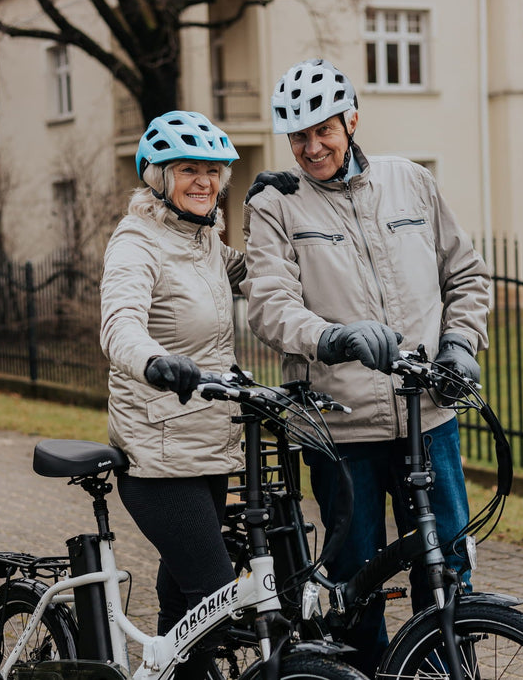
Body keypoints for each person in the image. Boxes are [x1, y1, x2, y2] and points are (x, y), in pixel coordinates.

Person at [240, 58, 491, 676]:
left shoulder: (411, 182)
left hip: (426, 420)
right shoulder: (278, 205)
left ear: (351, 119)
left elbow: (465, 275)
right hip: (340, 431)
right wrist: (335, 336)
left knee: (448, 570)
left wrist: (461, 343)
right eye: (298, 136)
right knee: (355, 586)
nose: (311, 147)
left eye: (322, 130)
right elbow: (269, 309)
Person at [100, 110, 245, 679]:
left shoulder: (205, 238)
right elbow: (120, 324)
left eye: (212, 171)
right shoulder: (137, 242)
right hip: (157, 456)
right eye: (189, 169)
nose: (204, 181)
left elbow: (255, 274)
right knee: (214, 595)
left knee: (183, 607)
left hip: (208, 445)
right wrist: (155, 361)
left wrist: (287, 206)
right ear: (158, 177)